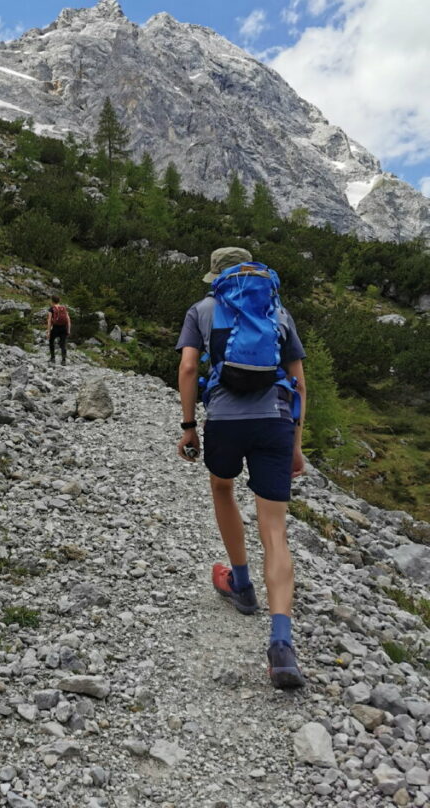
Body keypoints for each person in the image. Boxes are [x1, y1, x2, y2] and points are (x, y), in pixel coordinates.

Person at [175, 246, 307, 689]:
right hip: (275, 421)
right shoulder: (279, 312)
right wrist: (296, 445)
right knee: (275, 529)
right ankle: (282, 645)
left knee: (222, 487)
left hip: (227, 421)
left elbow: (190, 367)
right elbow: (299, 383)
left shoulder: (202, 309)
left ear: (217, 276)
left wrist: (190, 426)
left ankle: (242, 584)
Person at [46, 296, 71, 365]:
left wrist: (48, 332)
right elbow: (68, 320)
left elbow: (49, 321)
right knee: (63, 344)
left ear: (52, 301)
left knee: (51, 341)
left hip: (55, 328)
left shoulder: (51, 309)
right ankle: (63, 360)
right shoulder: (64, 308)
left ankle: (53, 358)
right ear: (59, 301)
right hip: (63, 328)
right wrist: (68, 330)